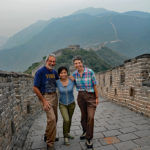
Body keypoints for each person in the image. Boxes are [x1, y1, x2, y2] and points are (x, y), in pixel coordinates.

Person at [72, 56, 99, 149]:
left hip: (91, 96)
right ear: (74, 65)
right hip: (81, 97)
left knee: (90, 117)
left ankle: (89, 138)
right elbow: (70, 83)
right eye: (75, 63)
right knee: (84, 116)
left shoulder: (90, 72)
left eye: (79, 62)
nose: (77, 65)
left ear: (82, 63)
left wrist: (97, 97)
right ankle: (85, 130)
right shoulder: (74, 74)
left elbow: (95, 84)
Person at [33, 54, 59, 150]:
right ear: (46, 61)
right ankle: (50, 144)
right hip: (46, 97)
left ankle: (47, 134)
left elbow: (60, 81)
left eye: (54, 61)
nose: (52, 63)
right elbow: (35, 88)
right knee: (51, 119)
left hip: (54, 96)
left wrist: (70, 79)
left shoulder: (54, 72)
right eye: (50, 61)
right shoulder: (40, 72)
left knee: (55, 119)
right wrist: (43, 101)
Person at [56, 66, 75, 145]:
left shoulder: (71, 80)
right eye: (61, 73)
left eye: (65, 72)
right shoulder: (56, 82)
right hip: (62, 104)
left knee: (69, 120)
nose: (63, 74)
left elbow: (81, 84)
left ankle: (68, 133)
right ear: (59, 74)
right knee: (66, 120)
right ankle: (65, 137)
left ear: (67, 73)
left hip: (72, 103)